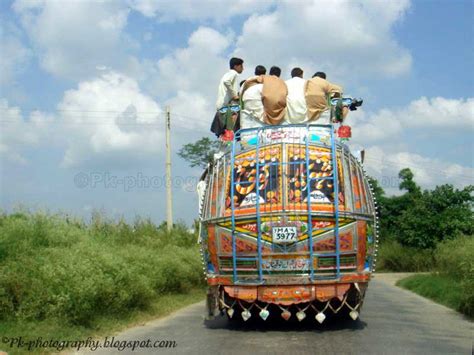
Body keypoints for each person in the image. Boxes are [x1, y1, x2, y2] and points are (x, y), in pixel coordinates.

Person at [211, 57, 244, 138]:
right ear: (236, 66)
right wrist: (234, 95)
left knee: (225, 135)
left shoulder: (227, 74)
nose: (243, 68)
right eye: (241, 66)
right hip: (228, 107)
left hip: (223, 107)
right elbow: (227, 81)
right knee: (230, 132)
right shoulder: (233, 73)